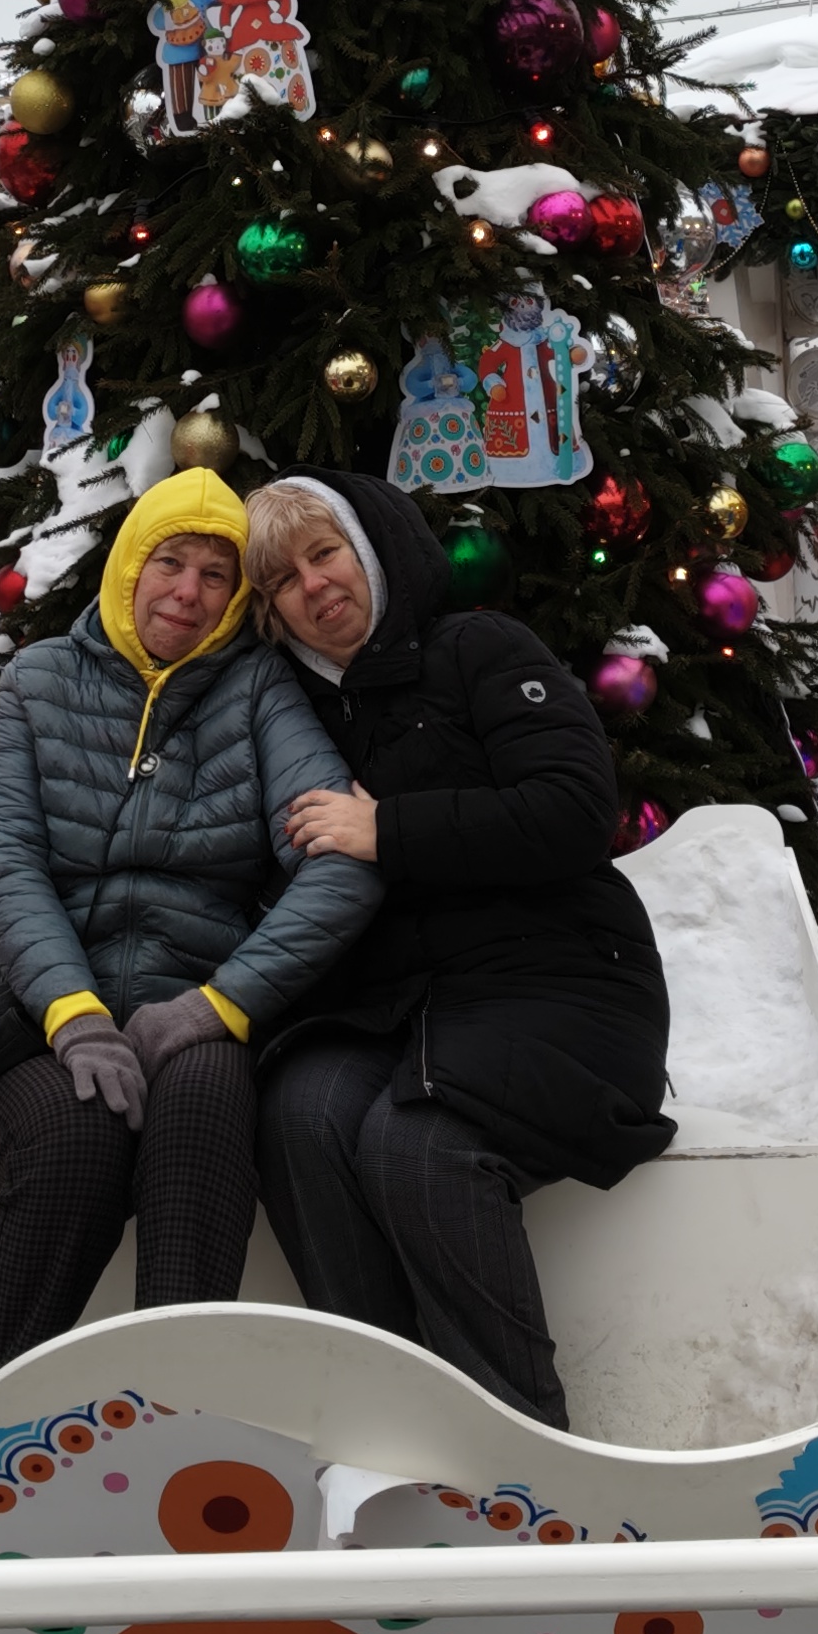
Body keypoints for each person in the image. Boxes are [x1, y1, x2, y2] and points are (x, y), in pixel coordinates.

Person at [242, 470, 665, 1429]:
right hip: (395, 1006)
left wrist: (387, 828)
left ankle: (518, 1458)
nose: (313, 586)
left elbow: (575, 810)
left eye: (325, 554)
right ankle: (387, 1432)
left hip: (558, 976)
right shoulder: (292, 713)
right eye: (283, 581)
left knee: (420, 1149)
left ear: (371, 549)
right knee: (300, 1114)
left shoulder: (478, 648)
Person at [0, 467, 372, 1395]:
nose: (187, 592)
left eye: (216, 576)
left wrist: (220, 1004)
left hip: (193, 1012)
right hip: (32, 1022)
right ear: (129, 567)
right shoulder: (39, 680)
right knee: (78, 1131)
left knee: (206, 1100)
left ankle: (178, 1415)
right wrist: (73, 1013)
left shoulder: (257, 690)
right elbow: (6, 865)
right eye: (169, 563)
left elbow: (340, 864)